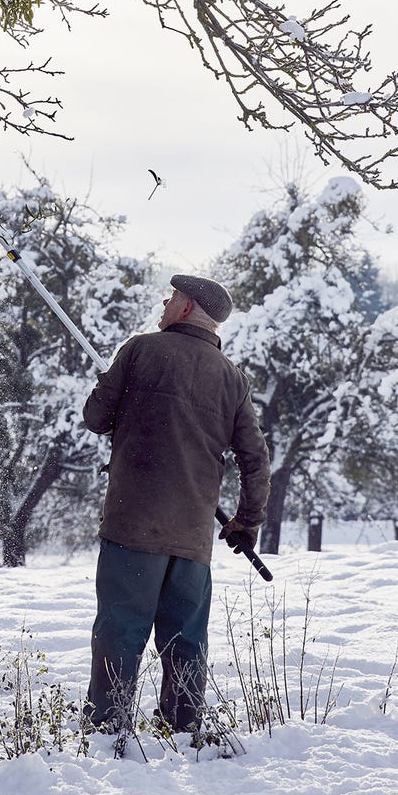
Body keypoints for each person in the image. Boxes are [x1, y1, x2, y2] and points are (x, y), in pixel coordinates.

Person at [82, 273, 270, 735]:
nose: (164, 303)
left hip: (133, 527)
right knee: (186, 641)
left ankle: (108, 729)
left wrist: (113, 387)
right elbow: (255, 458)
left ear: (187, 308)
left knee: (121, 632)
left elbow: (95, 418)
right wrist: (246, 523)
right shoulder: (233, 380)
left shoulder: (141, 350)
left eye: (172, 298)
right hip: (193, 540)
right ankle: (184, 729)